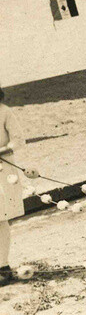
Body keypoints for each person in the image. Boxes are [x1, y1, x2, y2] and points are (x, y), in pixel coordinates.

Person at [0, 86, 23, 287]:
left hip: (3, 171)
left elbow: (18, 140)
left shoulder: (5, 112)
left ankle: (3, 267)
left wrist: (1, 150)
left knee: (1, 219)